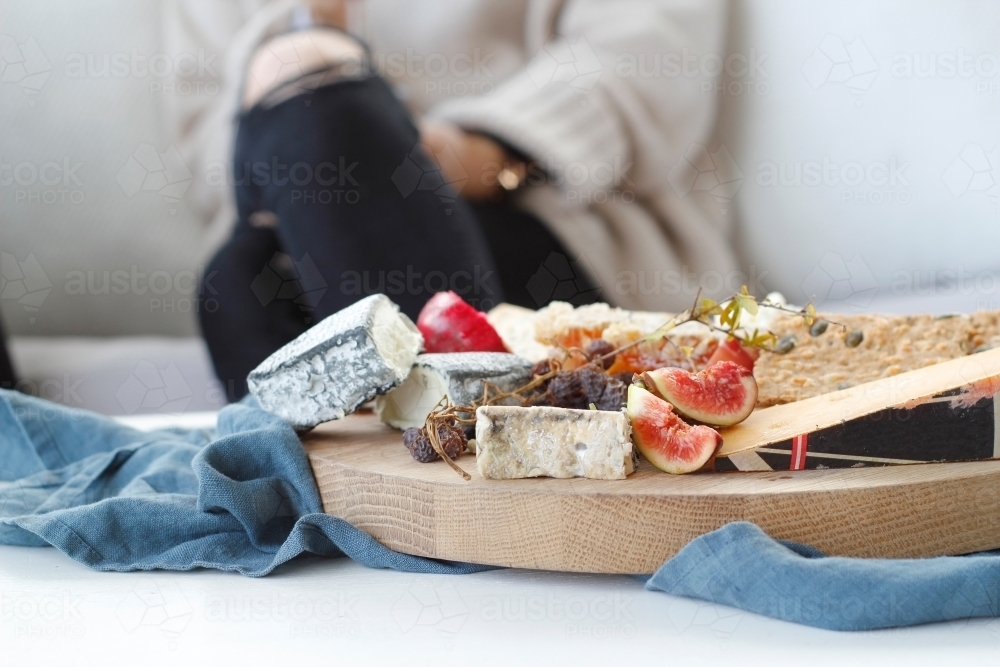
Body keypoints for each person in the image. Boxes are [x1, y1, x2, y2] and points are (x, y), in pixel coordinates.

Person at [187, 0, 739, 399]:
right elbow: (204, 153)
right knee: (239, 281)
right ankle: (450, 467)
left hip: (550, 221)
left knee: (317, 96)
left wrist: (472, 150)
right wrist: (306, 36)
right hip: (314, 226)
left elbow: (645, 60)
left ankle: (450, 458)